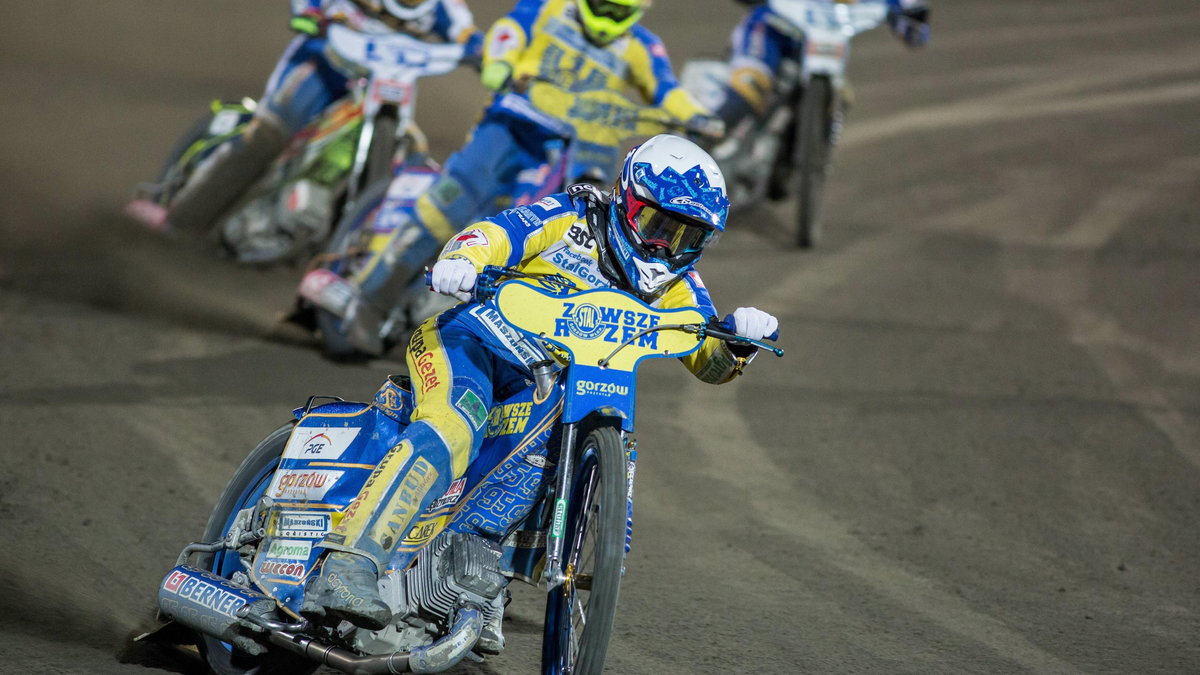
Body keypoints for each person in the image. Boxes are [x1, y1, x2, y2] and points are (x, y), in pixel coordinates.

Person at [300, 134, 779, 650]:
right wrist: (463, 258)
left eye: (687, 237)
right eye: (657, 225)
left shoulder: (677, 286)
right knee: (453, 426)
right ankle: (350, 562)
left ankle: (476, 579)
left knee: (551, 449)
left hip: (546, 384)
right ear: (625, 198)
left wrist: (740, 343)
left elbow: (707, 358)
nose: (665, 246)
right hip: (471, 344)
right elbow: (496, 234)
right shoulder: (572, 217)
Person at [300, 0, 724, 355]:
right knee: (449, 203)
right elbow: (508, 32)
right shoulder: (548, 7)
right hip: (513, 125)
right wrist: (501, 63)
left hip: (576, 144)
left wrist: (699, 116)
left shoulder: (642, 46)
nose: (607, 16)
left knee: (580, 231)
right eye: (602, 4)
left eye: (618, 10)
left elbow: (667, 91)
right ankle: (368, 302)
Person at [126, 0, 481, 235]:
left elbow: (467, 34)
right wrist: (311, 11)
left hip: (381, 86)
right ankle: (179, 218)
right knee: (269, 136)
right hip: (321, 64)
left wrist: (485, 53)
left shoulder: (444, 6)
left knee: (410, 154)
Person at [716, 0, 931, 127]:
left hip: (821, 53)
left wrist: (909, 24)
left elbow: (913, 16)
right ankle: (694, 155)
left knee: (840, 99)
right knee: (748, 87)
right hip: (771, 32)